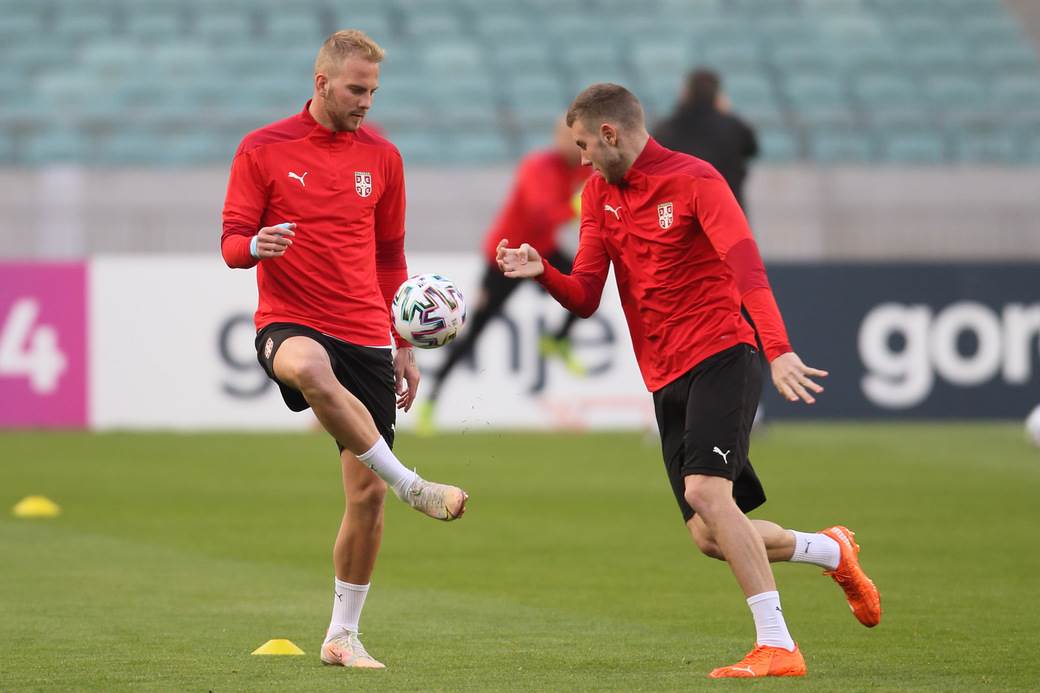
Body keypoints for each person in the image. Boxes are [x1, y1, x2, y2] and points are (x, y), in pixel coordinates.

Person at [497, 84, 880, 679]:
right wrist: (542, 269)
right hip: (665, 374)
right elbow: (586, 296)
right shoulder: (598, 194)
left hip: (723, 353)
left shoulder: (696, 179)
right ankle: (831, 550)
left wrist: (777, 349)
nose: (579, 161)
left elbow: (746, 265)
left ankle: (778, 644)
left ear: (609, 134)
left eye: (582, 146)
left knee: (707, 493)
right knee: (708, 534)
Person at [220, 29, 468, 670]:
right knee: (307, 366)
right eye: (357, 89)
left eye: (374, 91)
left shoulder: (383, 157)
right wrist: (256, 247)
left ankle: (342, 635)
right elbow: (231, 243)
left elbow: (390, 255)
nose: (366, 102)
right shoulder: (262, 148)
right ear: (322, 82)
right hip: (290, 319)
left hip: (365, 330)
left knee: (365, 498)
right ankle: (414, 484)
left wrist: (402, 342)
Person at [416, 119, 591, 434]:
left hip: (541, 253)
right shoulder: (538, 166)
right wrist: (576, 207)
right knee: (473, 332)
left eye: (580, 139)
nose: (576, 146)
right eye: (569, 138)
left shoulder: (582, 167)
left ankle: (557, 340)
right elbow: (542, 211)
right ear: (556, 138)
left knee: (587, 285)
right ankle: (432, 397)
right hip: (506, 256)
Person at [653, 69, 758, 211]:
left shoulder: (666, 129)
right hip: (727, 215)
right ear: (717, 96)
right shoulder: (734, 127)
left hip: (681, 219)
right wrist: (727, 112)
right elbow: (752, 149)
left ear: (686, 93)